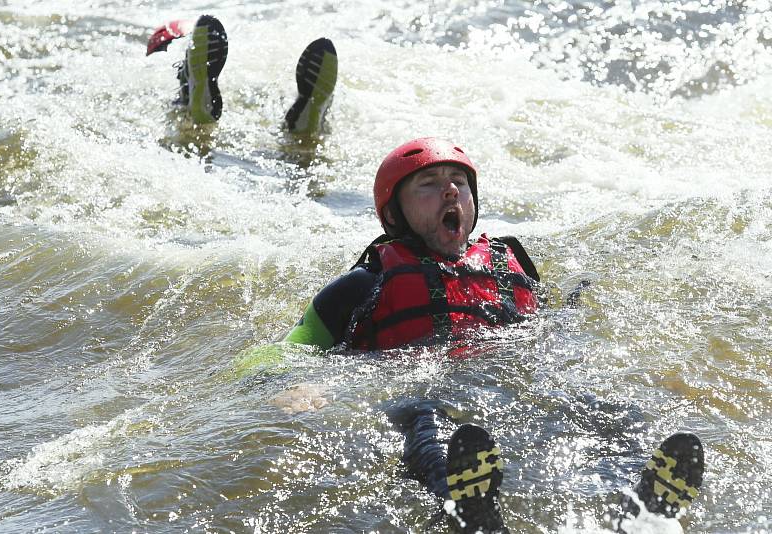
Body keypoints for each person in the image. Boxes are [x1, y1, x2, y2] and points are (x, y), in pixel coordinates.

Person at [283, 137, 705, 532]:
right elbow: (287, 348)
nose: (450, 191)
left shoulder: (508, 261)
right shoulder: (363, 282)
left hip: (511, 378)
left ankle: (642, 502)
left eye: (460, 183)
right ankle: (466, 510)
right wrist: (297, 382)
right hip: (418, 384)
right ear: (394, 214)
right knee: (427, 424)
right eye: (428, 185)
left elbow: (547, 325)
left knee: (601, 410)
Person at [147, 15, 337, 131]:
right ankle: (311, 125)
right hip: (256, 101)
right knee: (296, 145)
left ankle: (189, 95)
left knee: (184, 123)